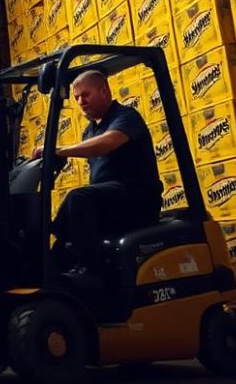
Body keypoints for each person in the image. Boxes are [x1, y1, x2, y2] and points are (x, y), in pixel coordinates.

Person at [32, 69, 163, 287]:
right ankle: (51, 265)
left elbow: (108, 143)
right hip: (113, 202)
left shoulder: (126, 117)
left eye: (86, 95)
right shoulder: (89, 131)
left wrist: (59, 150)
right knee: (67, 232)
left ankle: (91, 271)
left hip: (138, 199)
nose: (81, 101)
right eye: (76, 98)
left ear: (104, 91)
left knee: (79, 198)